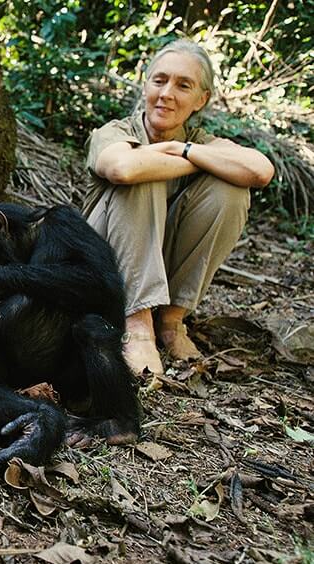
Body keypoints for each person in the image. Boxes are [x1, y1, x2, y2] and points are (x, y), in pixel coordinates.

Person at [83, 39, 274, 375]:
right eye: (159, 80)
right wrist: (196, 159)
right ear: (145, 85)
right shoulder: (114, 132)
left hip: (160, 260)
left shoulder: (199, 142)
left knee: (231, 192)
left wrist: (180, 149)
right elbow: (123, 169)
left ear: (202, 99)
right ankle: (138, 325)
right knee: (143, 174)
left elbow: (260, 171)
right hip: (97, 262)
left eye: (183, 85)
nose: (167, 93)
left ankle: (171, 321)